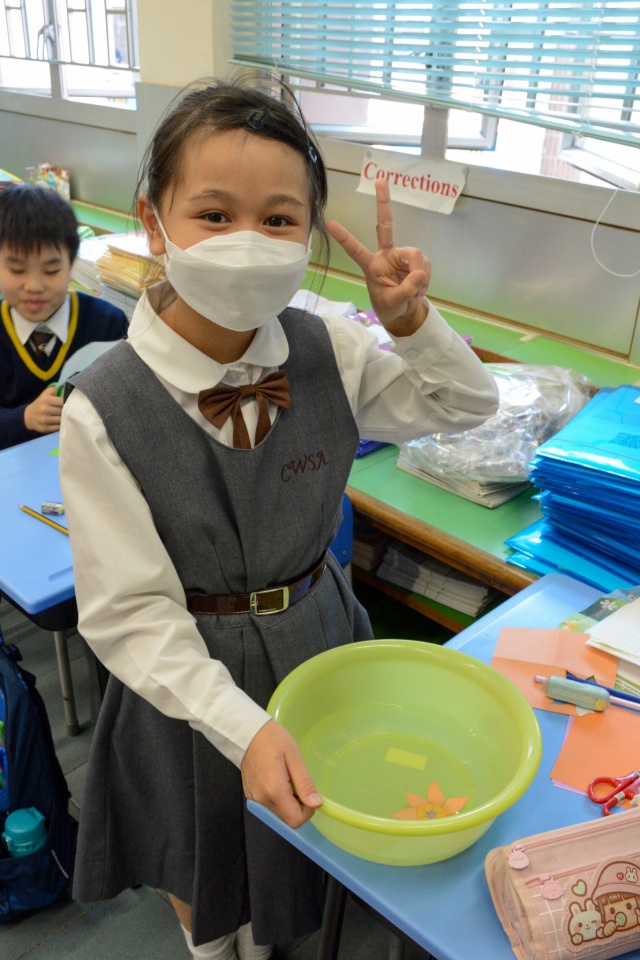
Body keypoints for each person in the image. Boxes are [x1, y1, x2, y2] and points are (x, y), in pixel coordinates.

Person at [59, 77, 499, 960]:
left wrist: (411, 322)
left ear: (308, 234)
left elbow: (464, 406)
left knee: (299, 833)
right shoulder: (104, 406)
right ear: (154, 221)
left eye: (278, 219)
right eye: (214, 214)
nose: (247, 242)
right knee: (198, 847)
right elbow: (131, 614)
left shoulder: (330, 346)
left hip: (318, 640)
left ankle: (265, 941)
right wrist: (243, 725)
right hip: (185, 671)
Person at [0, 183, 128, 449]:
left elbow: (127, 403)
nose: (34, 286)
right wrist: (24, 418)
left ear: (71, 266)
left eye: (51, 271)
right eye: (17, 270)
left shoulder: (108, 324)